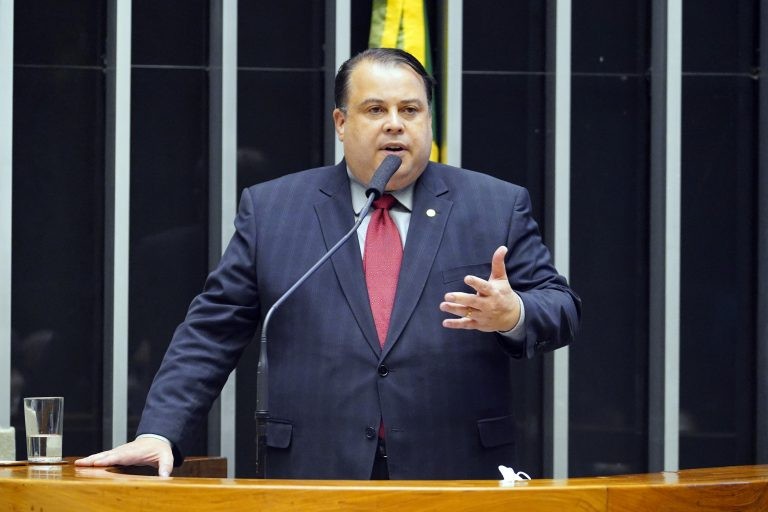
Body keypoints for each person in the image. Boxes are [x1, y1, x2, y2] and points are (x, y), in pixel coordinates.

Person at [76, 48, 581, 480]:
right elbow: (211, 329)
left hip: (453, 471)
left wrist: (514, 314)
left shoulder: (494, 204)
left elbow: (561, 306)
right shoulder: (275, 209)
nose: (395, 124)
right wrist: (161, 430)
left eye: (411, 110)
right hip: (313, 472)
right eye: (375, 109)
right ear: (341, 123)